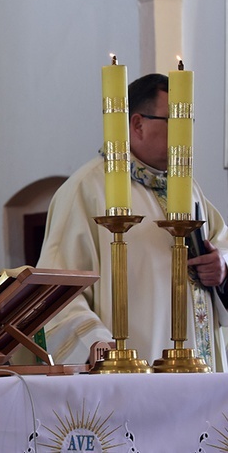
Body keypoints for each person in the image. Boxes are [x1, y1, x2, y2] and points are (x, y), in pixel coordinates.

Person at [38, 73, 228, 371]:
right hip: (131, 369)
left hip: (200, 366)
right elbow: (55, 288)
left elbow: (221, 247)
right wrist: (96, 343)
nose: (185, 135)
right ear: (137, 124)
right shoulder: (87, 189)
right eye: (174, 123)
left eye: (187, 123)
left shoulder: (188, 189)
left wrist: (222, 269)